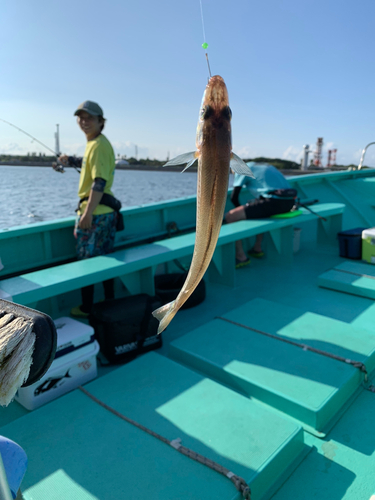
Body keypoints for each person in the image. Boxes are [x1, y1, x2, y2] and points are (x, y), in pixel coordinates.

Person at [59, 100, 118, 317]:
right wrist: (71, 159)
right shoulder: (96, 144)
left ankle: (87, 308)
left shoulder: (99, 145)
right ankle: (109, 302)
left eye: (89, 118)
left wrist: (87, 213)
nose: (84, 122)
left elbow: (99, 182)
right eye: (81, 117)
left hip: (96, 215)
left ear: (101, 122)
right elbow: (91, 164)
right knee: (105, 260)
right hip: (105, 213)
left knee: (87, 264)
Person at [225, 162, 296, 268]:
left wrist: (241, 214)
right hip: (289, 202)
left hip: (273, 202)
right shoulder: (265, 165)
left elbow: (234, 197)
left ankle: (240, 256)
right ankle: (257, 248)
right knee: (260, 211)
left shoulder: (240, 168)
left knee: (230, 216)